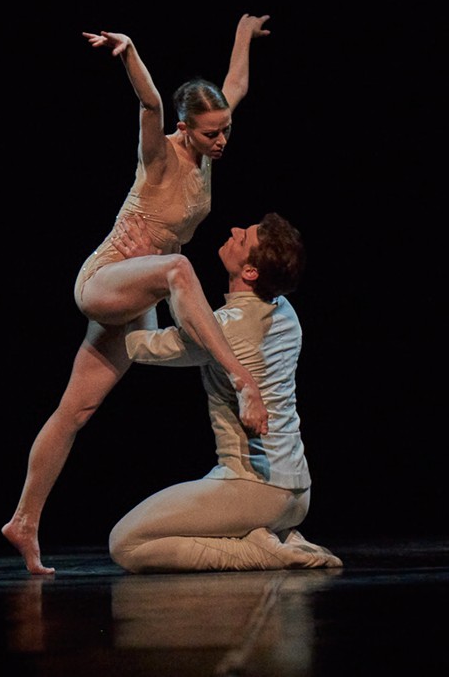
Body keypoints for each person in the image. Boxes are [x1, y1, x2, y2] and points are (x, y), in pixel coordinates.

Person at [2, 14, 273, 574]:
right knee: (178, 268)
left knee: (76, 409)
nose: (221, 140)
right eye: (210, 132)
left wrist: (243, 33)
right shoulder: (162, 154)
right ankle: (239, 377)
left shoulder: (210, 142)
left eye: (225, 130)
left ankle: (23, 522)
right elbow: (149, 105)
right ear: (185, 126)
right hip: (105, 281)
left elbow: (237, 85)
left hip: (138, 296)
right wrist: (129, 53)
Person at [107, 212, 344, 573]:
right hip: (297, 493)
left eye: (243, 238)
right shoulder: (284, 310)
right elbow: (201, 322)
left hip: (255, 489)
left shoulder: (227, 332)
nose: (234, 231)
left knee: (126, 543)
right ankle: (274, 535)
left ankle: (260, 552)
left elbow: (139, 346)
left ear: (251, 272)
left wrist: (146, 277)